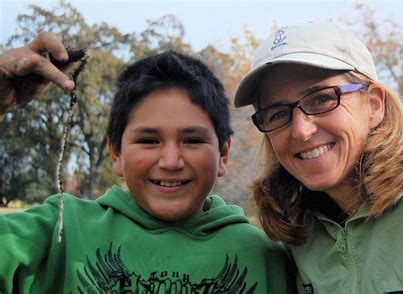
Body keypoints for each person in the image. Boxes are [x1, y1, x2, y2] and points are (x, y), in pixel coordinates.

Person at [0, 33, 294, 292]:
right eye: (148, 140)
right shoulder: (61, 230)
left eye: (192, 140)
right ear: (116, 154)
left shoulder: (266, 257)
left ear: (223, 155)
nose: (170, 161)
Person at [234, 21, 403, 293]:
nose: (301, 130)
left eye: (322, 99)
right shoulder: (294, 233)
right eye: (278, 113)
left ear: (374, 105)